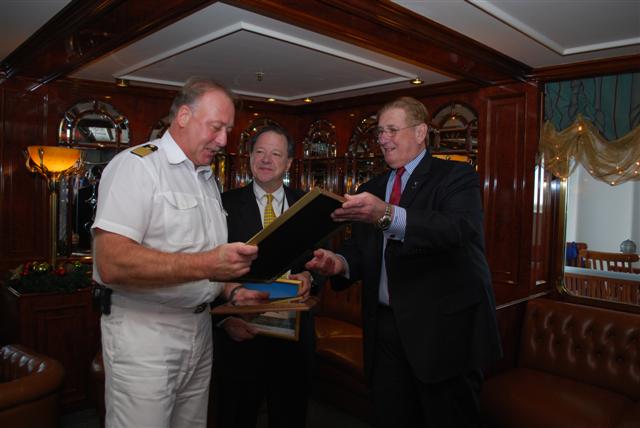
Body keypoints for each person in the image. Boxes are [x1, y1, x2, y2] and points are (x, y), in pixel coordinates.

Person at [306, 96, 502, 427]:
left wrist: (385, 214)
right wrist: (338, 262)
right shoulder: (372, 187)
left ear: (421, 131)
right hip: (383, 328)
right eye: (380, 132)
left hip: (442, 332)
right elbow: (362, 248)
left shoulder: (456, 177)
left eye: (392, 130)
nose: (383, 139)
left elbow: (455, 230)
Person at [92, 77, 264, 428]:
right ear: (184, 116)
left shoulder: (206, 179)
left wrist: (230, 289)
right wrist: (208, 264)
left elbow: (194, 257)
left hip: (200, 329)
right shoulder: (137, 166)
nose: (223, 141)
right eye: (216, 128)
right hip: (147, 334)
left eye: (228, 130)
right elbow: (110, 262)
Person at [214, 125, 314, 428]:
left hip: (293, 338)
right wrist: (223, 320)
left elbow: (318, 259)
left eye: (276, 154)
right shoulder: (221, 205)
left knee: (290, 417)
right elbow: (206, 270)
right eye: (260, 152)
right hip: (240, 334)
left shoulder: (307, 205)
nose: (267, 159)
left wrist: (311, 275)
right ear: (249, 158)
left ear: (288, 163)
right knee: (236, 418)